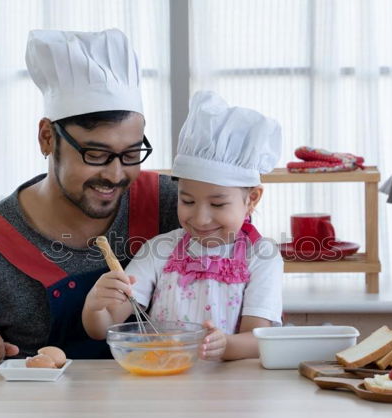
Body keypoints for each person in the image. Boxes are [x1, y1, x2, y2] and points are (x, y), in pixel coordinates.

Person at [0, 28, 179, 365]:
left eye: (131, 154)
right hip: (39, 414)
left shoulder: (173, 207)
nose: (116, 175)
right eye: (96, 155)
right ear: (46, 138)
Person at [82, 91, 284, 361]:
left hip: (231, 389)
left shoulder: (261, 256)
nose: (200, 218)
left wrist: (225, 346)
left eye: (218, 204)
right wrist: (95, 305)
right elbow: (104, 328)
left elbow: (258, 339)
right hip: (165, 381)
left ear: (252, 199)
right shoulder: (160, 250)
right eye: (187, 200)